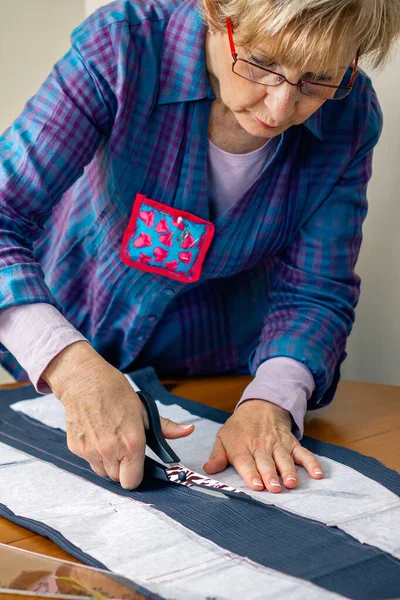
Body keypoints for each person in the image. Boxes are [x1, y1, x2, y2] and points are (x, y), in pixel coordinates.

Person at [0, 0, 398, 492]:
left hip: (217, 376)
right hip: (64, 343)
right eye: (262, 61)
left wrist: (270, 400)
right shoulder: (123, 49)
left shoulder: (351, 115)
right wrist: (71, 369)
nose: (279, 108)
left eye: (318, 77)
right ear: (215, 10)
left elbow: (315, 292)